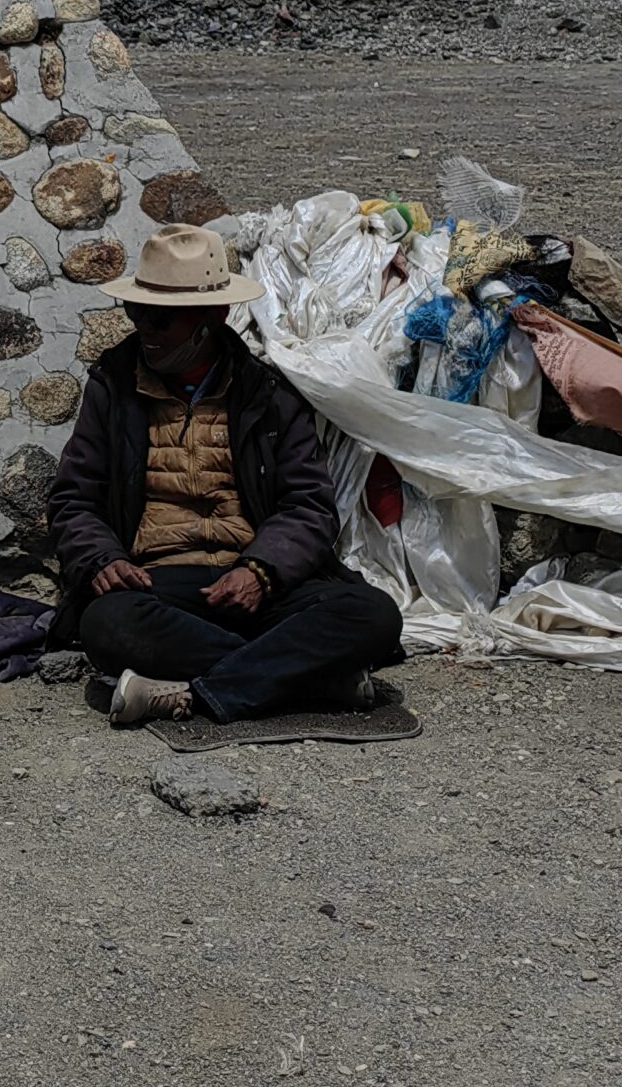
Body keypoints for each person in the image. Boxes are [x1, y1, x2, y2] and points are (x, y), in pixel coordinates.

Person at [46, 223, 403, 727]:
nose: (144, 329)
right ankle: (307, 677)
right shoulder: (113, 386)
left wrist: (261, 569)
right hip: (159, 582)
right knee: (107, 623)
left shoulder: (268, 393)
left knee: (374, 615)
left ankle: (199, 691)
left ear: (211, 318)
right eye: (137, 313)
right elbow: (73, 499)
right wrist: (101, 558)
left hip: (256, 580)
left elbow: (309, 505)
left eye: (162, 320)